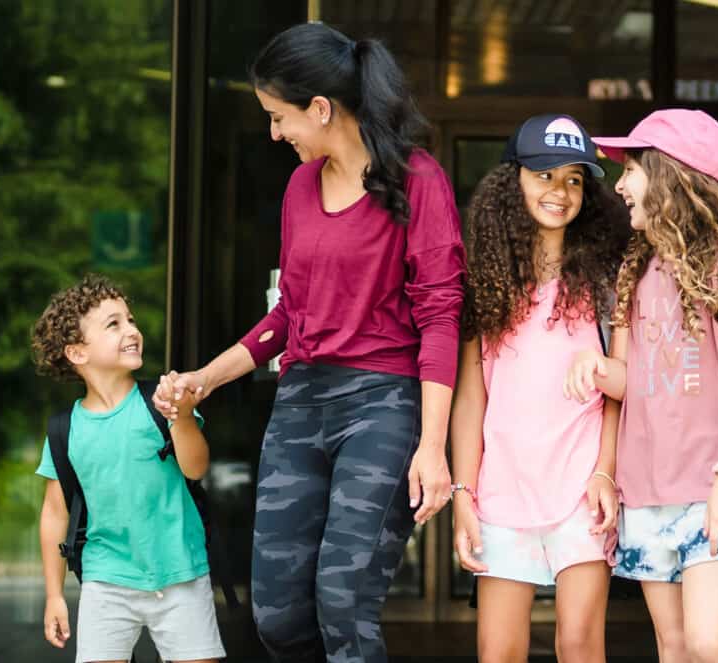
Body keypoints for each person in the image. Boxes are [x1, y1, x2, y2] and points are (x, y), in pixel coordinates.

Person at [151, 23, 465, 662]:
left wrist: (433, 447)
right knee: (277, 613)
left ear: (320, 109)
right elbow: (290, 313)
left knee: (345, 603)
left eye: (278, 117)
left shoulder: (417, 180)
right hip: (302, 403)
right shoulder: (300, 188)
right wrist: (205, 378)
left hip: (384, 404)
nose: (275, 133)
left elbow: (440, 317)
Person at [574, 108, 718, 663]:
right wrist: (593, 369)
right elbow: (631, 379)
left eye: (632, 168)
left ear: (671, 175)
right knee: (675, 647)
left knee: (712, 642)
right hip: (645, 490)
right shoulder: (634, 269)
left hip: (714, 484)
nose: (619, 184)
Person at [449, 113, 631, 663]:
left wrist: (604, 471)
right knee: (498, 651)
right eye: (545, 175)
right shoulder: (483, 278)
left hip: (581, 490)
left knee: (579, 645)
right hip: (502, 490)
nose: (561, 191)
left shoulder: (607, 278)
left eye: (575, 179)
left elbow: (621, 391)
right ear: (513, 181)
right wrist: (463, 492)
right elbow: (470, 397)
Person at [31, 274, 224, 663]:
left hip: (180, 574)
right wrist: (54, 595)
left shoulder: (163, 401)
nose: (131, 329)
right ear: (77, 353)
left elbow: (196, 468)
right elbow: (55, 512)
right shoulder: (66, 429)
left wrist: (183, 417)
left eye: (131, 319)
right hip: (107, 581)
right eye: (113, 324)